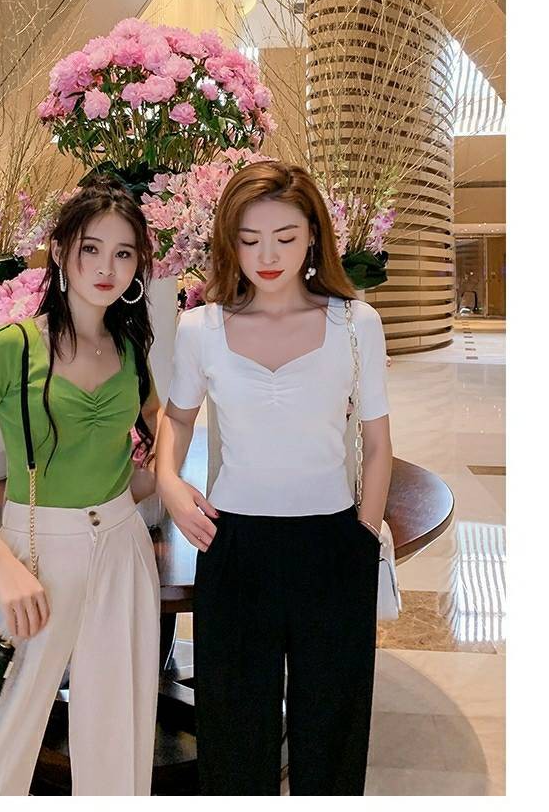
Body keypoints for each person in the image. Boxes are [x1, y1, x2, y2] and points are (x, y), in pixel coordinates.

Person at [0, 176, 161, 796]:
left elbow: (159, 426)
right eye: (91, 248)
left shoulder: (130, 346)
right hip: (36, 551)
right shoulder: (13, 348)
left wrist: (147, 484)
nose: (106, 268)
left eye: (123, 253)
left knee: (119, 723)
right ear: (60, 251)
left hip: (123, 545)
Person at [155, 161, 392, 795]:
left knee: (333, 730)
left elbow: (377, 443)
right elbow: (176, 420)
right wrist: (171, 484)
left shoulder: (356, 323)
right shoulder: (202, 328)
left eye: (285, 238)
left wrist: (364, 534)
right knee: (234, 732)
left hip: (334, 542)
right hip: (235, 545)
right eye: (250, 239)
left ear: (313, 236)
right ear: (229, 242)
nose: (267, 256)